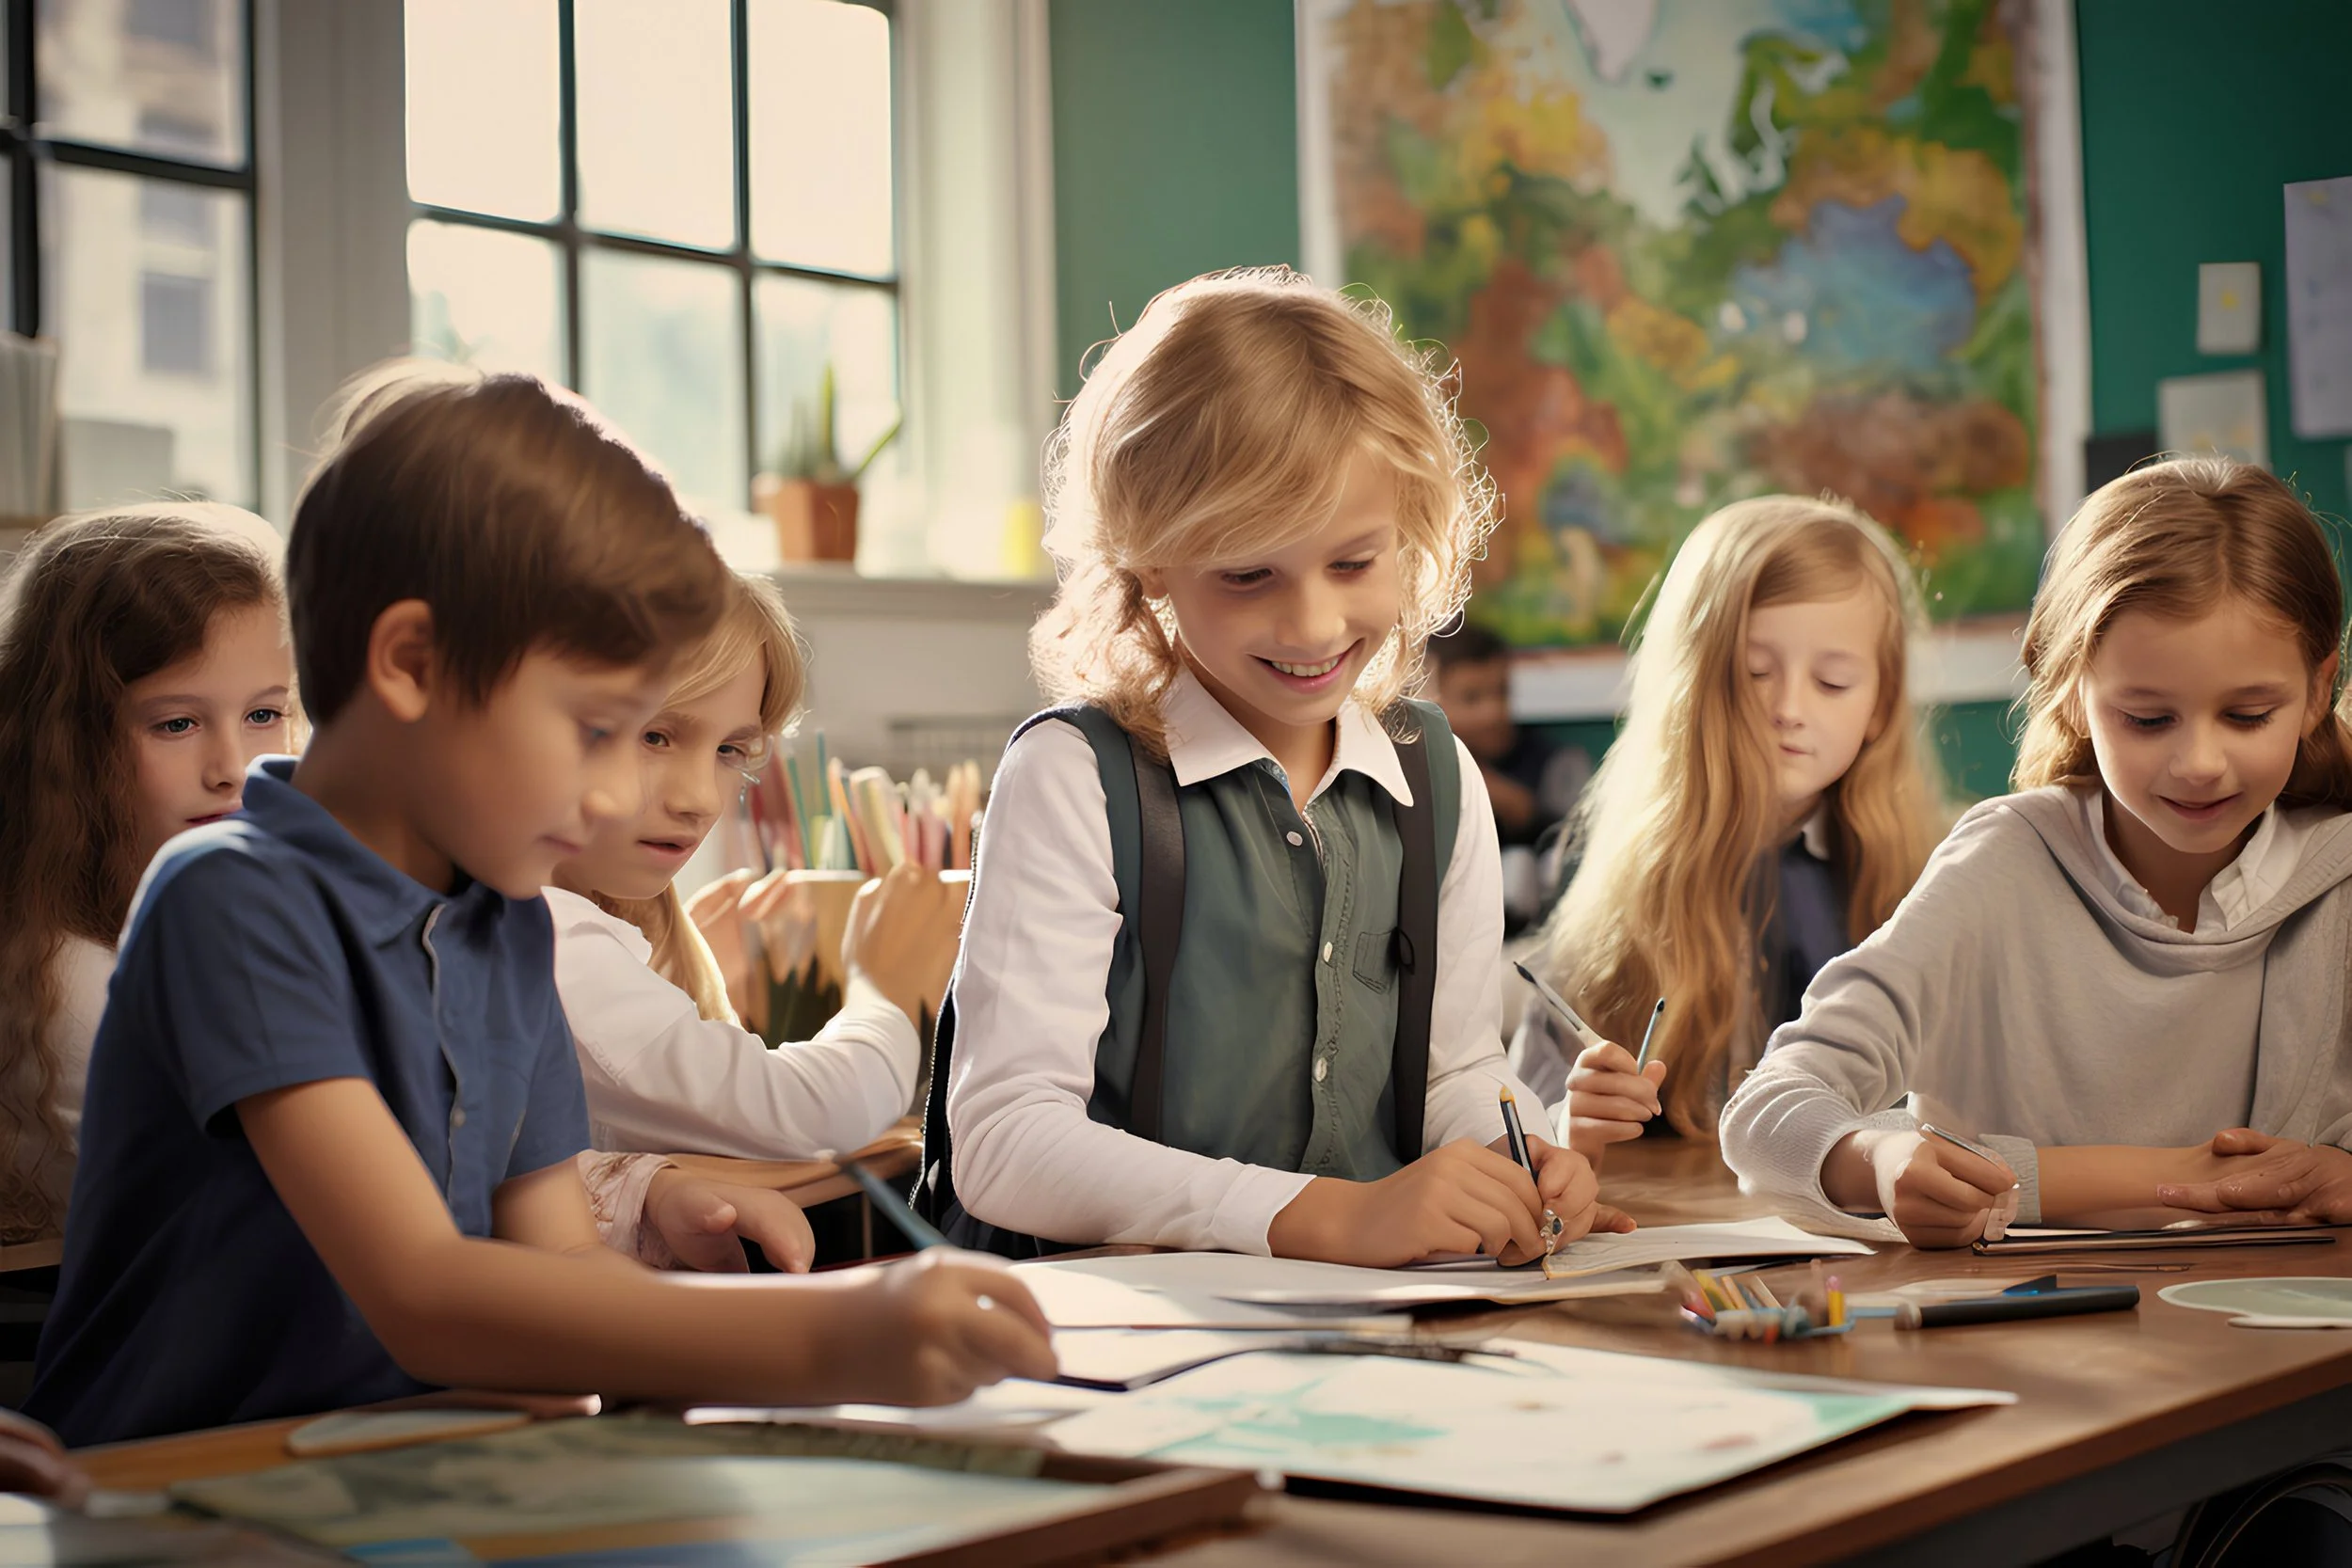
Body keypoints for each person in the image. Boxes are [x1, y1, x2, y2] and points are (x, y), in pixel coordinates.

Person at [28, 365, 1053, 1446]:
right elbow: (424, 1290)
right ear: (412, 664)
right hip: (168, 1486)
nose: (619, 795)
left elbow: (556, 1258)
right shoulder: (229, 898)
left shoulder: (503, 918)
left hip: (406, 1465)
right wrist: (826, 1331)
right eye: (594, 729)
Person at [930, 268, 1613, 1265]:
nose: (1313, 625)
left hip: (1381, 1331)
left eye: (1353, 563)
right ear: (1148, 560)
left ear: (1412, 534)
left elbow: (1452, 1077)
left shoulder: (1438, 778)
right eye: (1248, 574)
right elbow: (1003, 1142)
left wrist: (1522, 1153)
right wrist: (1329, 1215)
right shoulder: (1075, 777)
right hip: (1131, 1348)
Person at [1721, 458, 2352, 1245]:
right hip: (2021, 1339)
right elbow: (1764, 1109)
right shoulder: (2004, 863)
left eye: (2249, 714)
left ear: (2317, 689)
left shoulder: (2340, 877)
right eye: (2148, 719)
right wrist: (1876, 1157)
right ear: (2070, 689)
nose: (2199, 761)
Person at [1512, 497, 1943, 1159]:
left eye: (1831, 681)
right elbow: (1517, 1130)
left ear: (1880, 704)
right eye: (1753, 674)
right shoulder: (1618, 899)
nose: (1788, 709)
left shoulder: (1931, 880)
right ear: (1693, 685)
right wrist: (1570, 1122)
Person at [548, 569, 960, 1166]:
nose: (702, 799)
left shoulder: (575, 934)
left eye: (728, 752)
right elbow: (805, 1113)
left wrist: (668, 992)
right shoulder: (554, 944)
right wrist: (882, 991)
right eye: (656, 737)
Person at [0, 505, 293, 1245]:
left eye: (264, 715)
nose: (236, 770)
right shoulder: (73, 987)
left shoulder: (204, 920)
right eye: (176, 724)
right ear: (71, 745)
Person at [1425, 622, 1590, 934]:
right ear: (1427, 701)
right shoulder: (1408, 770)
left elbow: (1576, 847)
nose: (1494, 712)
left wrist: (1523, 810)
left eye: (1502, 692)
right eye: (1472, 698)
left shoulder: (1555, 762)